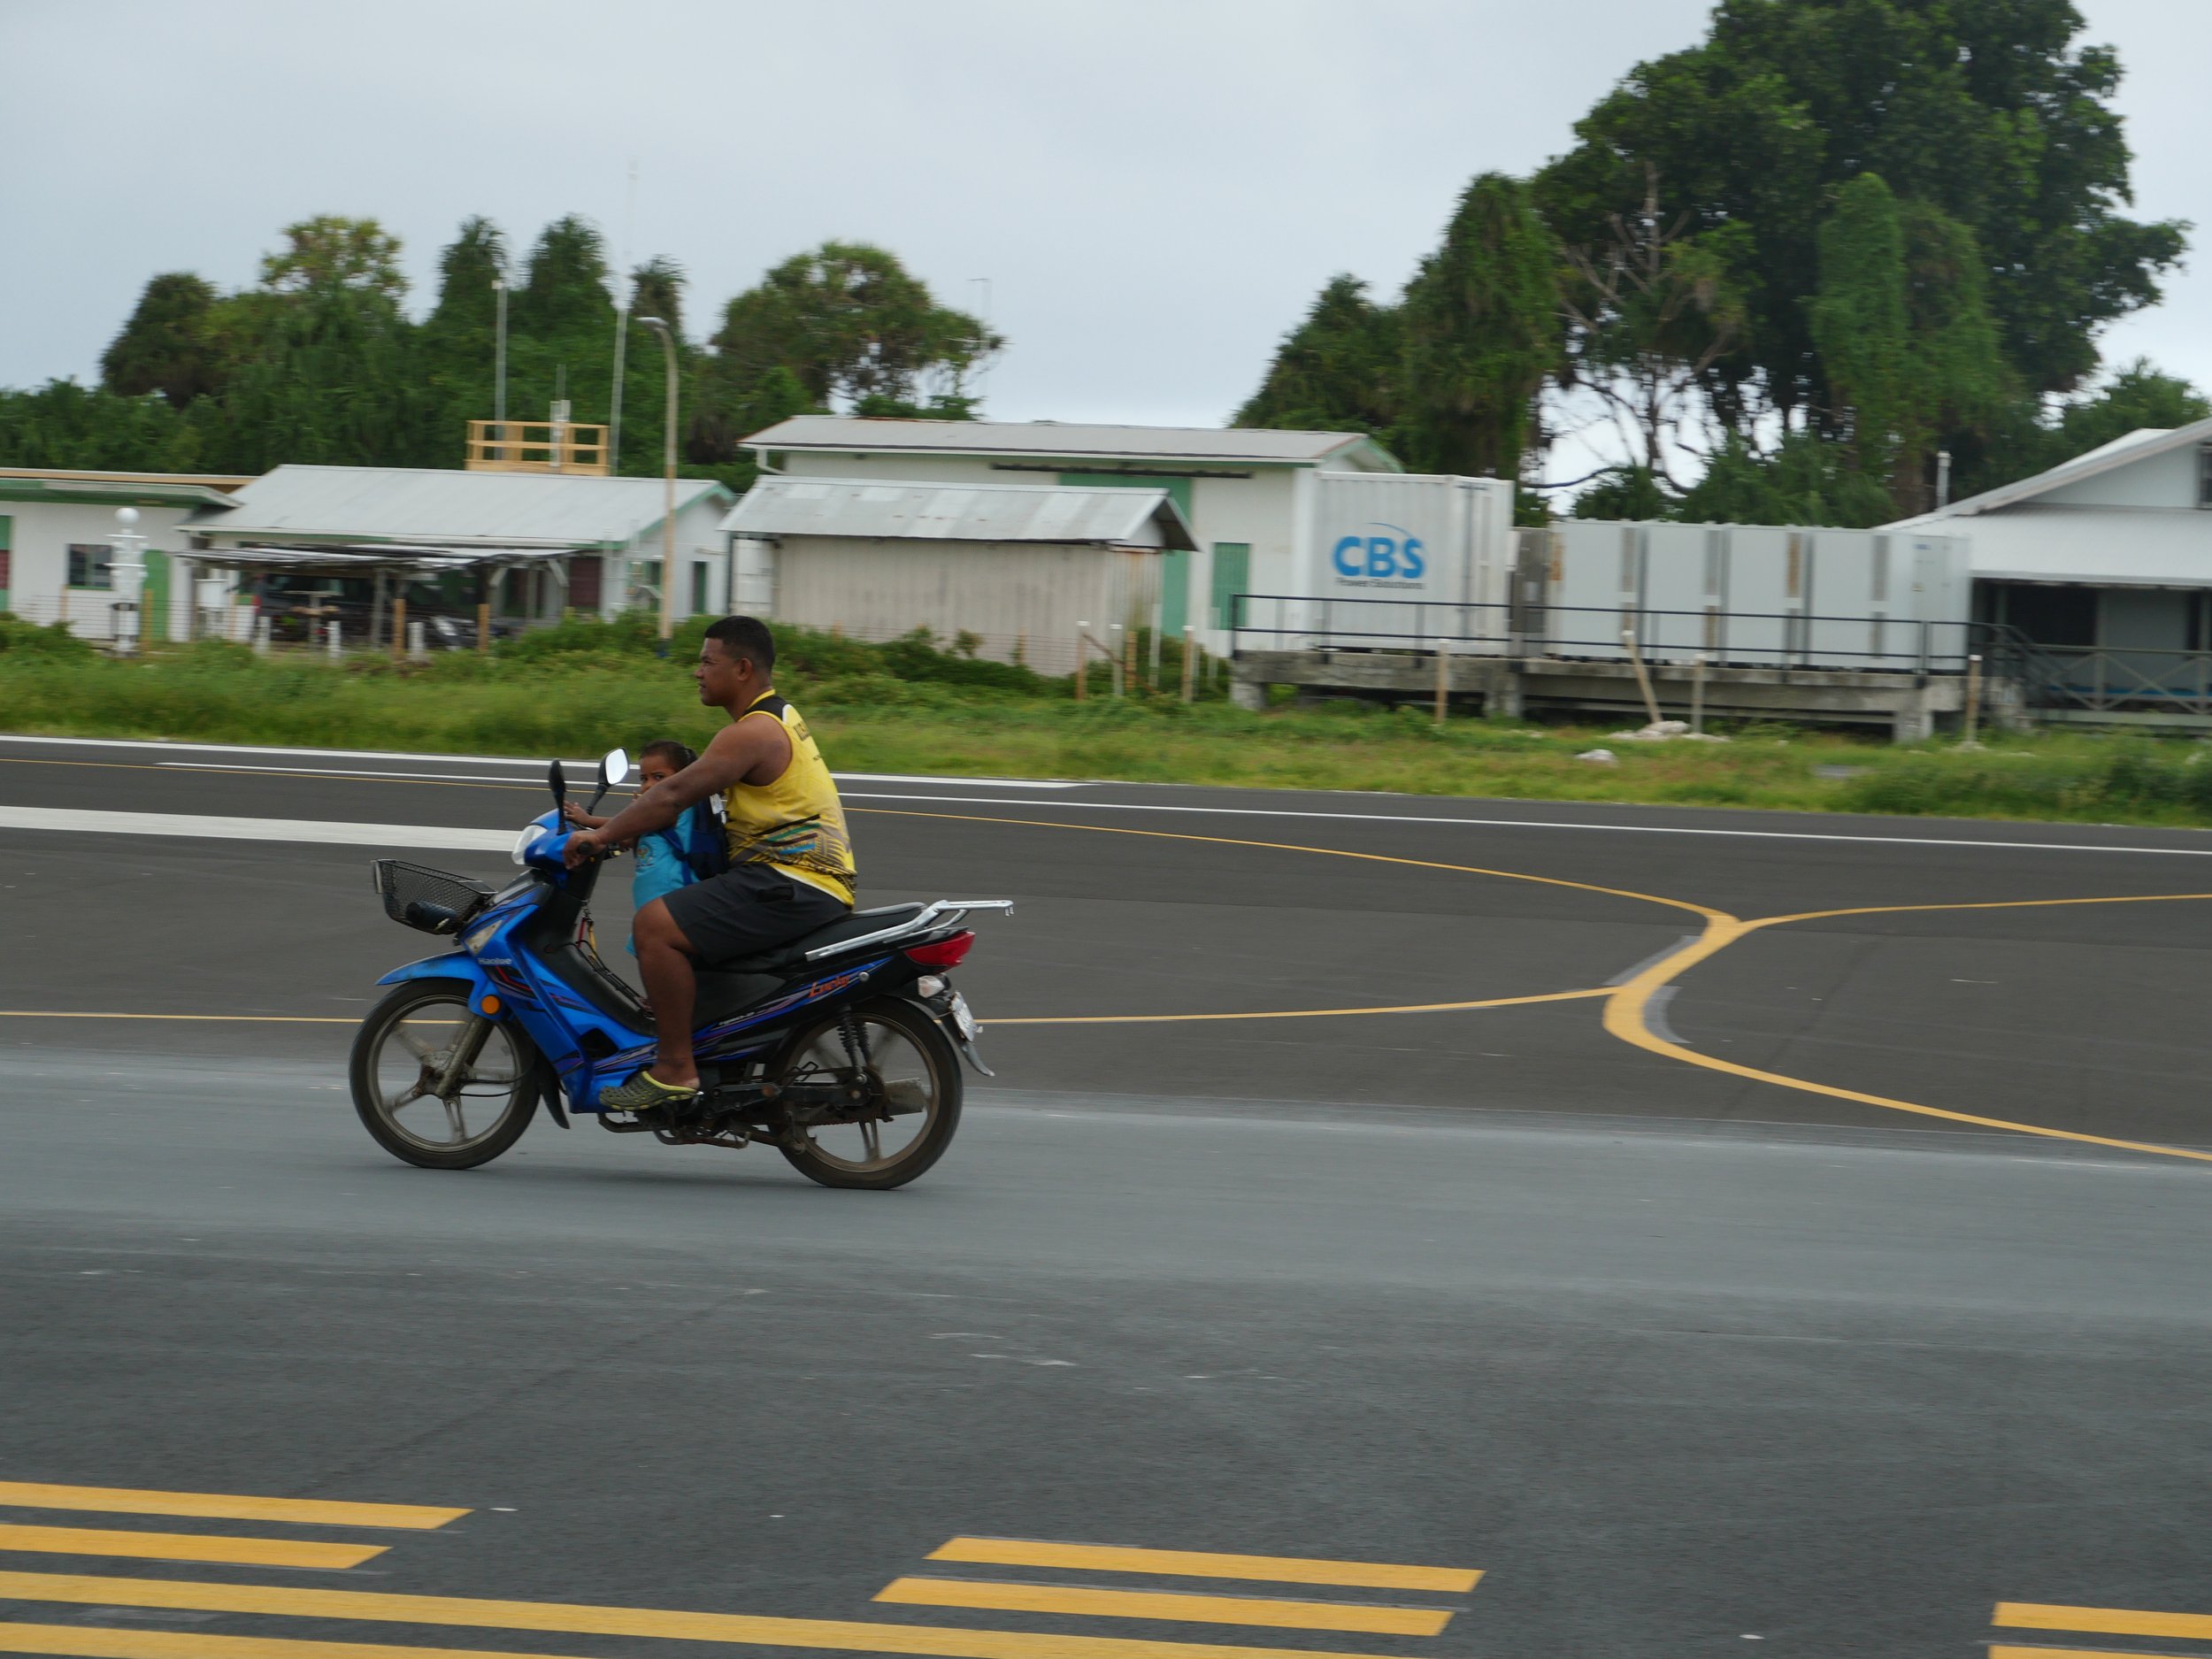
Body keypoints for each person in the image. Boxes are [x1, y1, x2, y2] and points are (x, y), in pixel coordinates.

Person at [565, 616, 856, 1109]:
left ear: (742, 668)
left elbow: (673, 794)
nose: (697, 672)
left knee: (654, 928)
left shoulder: (753, 732)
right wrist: (611, 829)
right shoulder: (778, 718)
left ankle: (676, 1068)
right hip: (800, 879)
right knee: (687, 911)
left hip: (792, 880)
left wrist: (604, 834)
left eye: (706, 661)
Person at [561, 740, 709, 954]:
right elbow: (633, 837)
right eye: (643, 779)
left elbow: (623, 825)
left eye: (659, 777)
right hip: (654, 911)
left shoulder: (679, 807)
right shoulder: (655, 816)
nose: (648, 785)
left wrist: (587, 820)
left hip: (674, 909)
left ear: (682, 779)